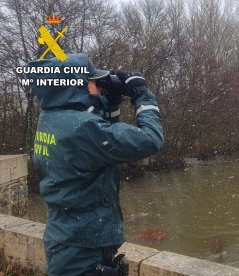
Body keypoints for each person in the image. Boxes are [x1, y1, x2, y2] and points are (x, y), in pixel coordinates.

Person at [26, 53, 163, 276]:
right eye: (94, 82)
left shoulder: (53, 118)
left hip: (67, 237)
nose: (99, 87)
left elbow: (103, 144)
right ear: (77, 86)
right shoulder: (81, 128)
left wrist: (112, 102)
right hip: (84, 246)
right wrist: (142, 96)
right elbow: (150, 140)